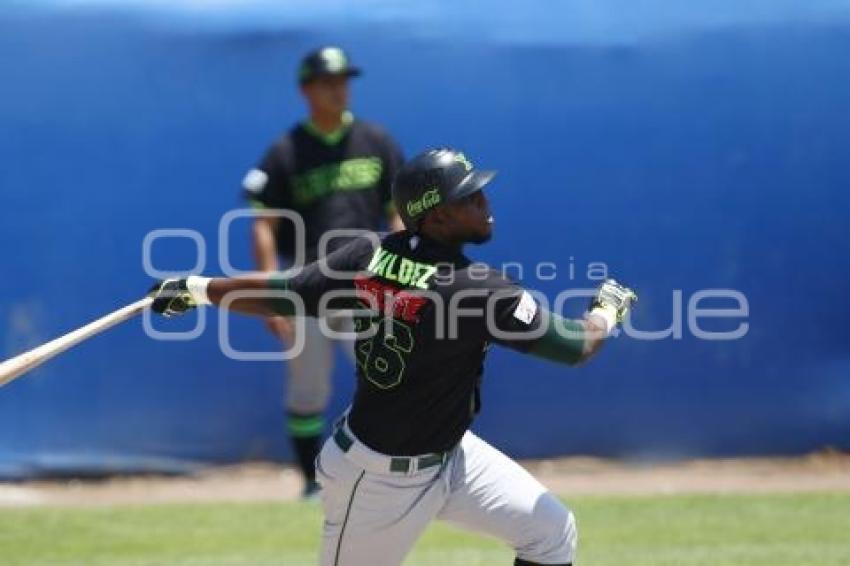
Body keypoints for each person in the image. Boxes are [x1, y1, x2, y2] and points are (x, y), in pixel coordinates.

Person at [152, 148, 636, 565]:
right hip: (379, 477)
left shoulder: (365, 254)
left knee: (550, 532)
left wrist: (199, 289)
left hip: (450, 454)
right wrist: (607, 310)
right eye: (470, 197)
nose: (486, 203)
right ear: (436, 216)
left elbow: (284, 293)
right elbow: (577, 346)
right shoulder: (477, 288)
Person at [240, 46, 404, 497]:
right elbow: (264, 225)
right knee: (308, 385)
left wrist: (406, 270)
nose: (339, 89)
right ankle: (310, 483)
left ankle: (387, 476)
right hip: (307, 281)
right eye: (328, 82)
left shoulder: (377, 141)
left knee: (385, 375)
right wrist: (271, 293)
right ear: (306, 89)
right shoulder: (286, 151)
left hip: (368, 279)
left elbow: (398, 214)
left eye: (343, 80)